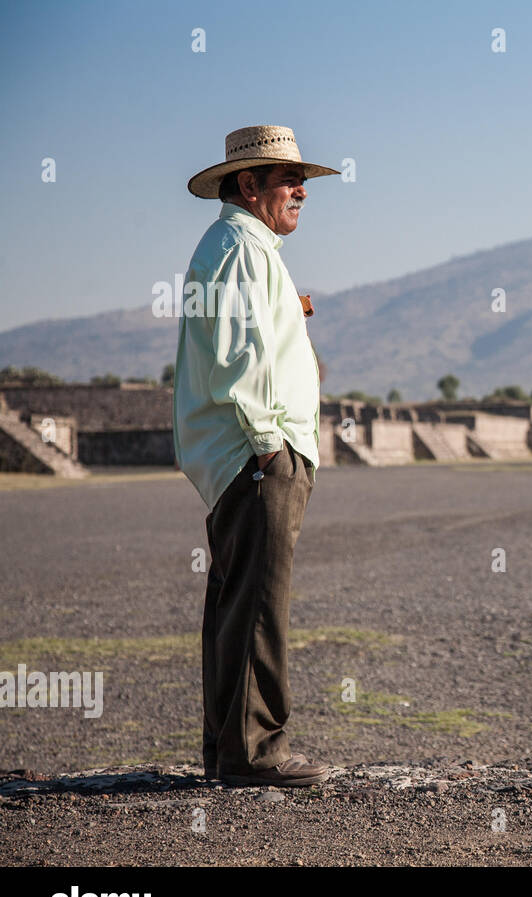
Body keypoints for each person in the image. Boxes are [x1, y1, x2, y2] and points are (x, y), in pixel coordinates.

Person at [172, 126, 339, 786]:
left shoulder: (242, 247)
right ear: (249, 185)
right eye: (287, 179)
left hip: (247, 455)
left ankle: (227, 750)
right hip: (258, 454)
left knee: (239, 603)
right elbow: (238, 358)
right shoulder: (241, 245)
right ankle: (255, 753)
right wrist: (270, 446)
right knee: (261, 605)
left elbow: (245, 335)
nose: (301, 191)